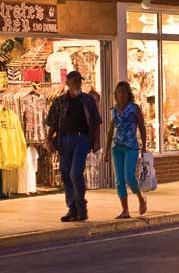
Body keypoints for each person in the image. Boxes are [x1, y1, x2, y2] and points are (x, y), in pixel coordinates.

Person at [45, 71, 102, 222]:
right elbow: (52, 122)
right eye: (74, 81)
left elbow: (96, 122)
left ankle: (81, 207)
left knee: (75, 173)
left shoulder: (88, 100)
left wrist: (97, 141)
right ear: (67, 83)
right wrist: (48, 139)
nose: (77, 84)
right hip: (64, 140)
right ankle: (72, 209)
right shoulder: (60, 102)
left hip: (81, 138)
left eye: (79, 81)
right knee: (65, 174)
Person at [104, 82, 148, 219]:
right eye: (119, 92)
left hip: (131, 146)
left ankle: (141, 198)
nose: (121, 94)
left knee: (129, 176)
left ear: (128, 94)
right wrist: (106, 151)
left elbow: (141, 126)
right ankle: (125, 210)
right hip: (117, 147)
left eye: (124, 92)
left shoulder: (134, 109)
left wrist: (144, 146)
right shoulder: (114, 110)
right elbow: (111, 131)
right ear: (116, 95)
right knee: (119, 180)